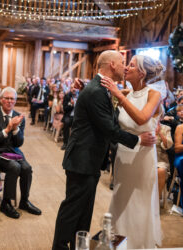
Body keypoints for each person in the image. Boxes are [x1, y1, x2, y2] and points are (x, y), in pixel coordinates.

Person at [52, 51, 156, 250]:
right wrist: (137, 139)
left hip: (88, 159)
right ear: (112, 65)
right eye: (123, 62)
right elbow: (109, 129)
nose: (125, 67)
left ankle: (78, 245)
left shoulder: (101, 88)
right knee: (73, 209)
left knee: (84, 210)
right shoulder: (96, 91)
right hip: (82, 159)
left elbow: (108, 117)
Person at [101, 54, 164, 249]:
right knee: (120, 197)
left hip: (142, 157)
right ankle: (118, 242)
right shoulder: (127, 93)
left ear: (142, 73)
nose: (126, 68)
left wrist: (119, 94)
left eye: (132, 65)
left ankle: (137, 244)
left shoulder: (154, 94)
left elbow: (142, 119)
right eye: (127, 64)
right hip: (123, 153)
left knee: (138, 201)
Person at [0, 87, 41, 219]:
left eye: (12, 99)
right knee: (14, 167)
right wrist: (8, 129)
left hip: (13, 152)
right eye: (7, 98)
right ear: (1, 100)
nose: (9, 101)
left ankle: (24, 201)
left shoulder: (18, 117)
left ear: (15, 101)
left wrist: (15, 130)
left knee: (27, 168)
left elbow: (18, 143)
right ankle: (6, 203)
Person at [155, 119, 173, 201]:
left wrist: (160, 133)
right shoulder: (144, 125)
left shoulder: (166, 128)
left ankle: (156, 200)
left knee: (161, 171)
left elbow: (168, 145)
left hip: (160, 158)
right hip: (146, 156)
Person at [61, 84, 78, 150]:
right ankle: (65, 143)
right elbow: (65, 108)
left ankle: (76, 144)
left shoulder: (80, 96)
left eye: (75, 87)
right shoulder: (67, 96)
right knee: (66, 123)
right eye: (72, 88)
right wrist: (71, 104)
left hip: (78, 117)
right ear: (70, 89)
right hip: (69, 115)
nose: (74, 89)